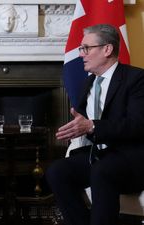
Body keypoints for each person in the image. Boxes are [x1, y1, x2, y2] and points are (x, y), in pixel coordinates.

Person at [46, 24, 144, 225]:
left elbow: (137, 125)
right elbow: (83, 122)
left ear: (107, 49)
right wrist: (78, 127)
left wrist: (92, 127)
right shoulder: (89, 82)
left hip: (132, 158)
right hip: (99, 155)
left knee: (102, 170)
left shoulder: (137, 79)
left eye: (86, 48)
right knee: (57, 171)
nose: (81, 54)